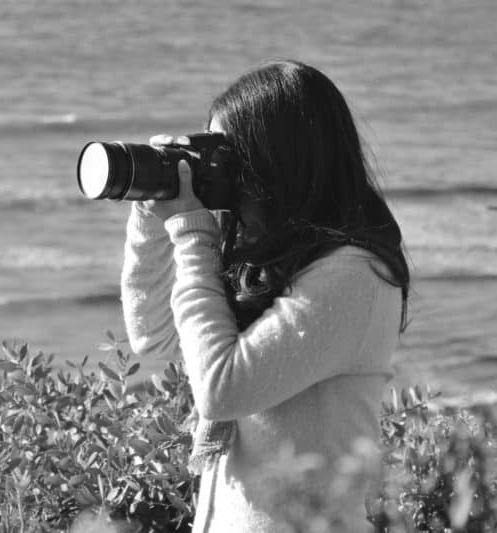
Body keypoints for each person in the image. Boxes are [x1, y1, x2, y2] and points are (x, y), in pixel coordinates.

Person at [120, 59, 409, 532]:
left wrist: (192, 235)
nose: (218, 173)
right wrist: (152, 216)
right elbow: (153, 336)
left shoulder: (354, 277)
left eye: (226, 156)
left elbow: (221, 389)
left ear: (275, 163)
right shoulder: (267, 265)